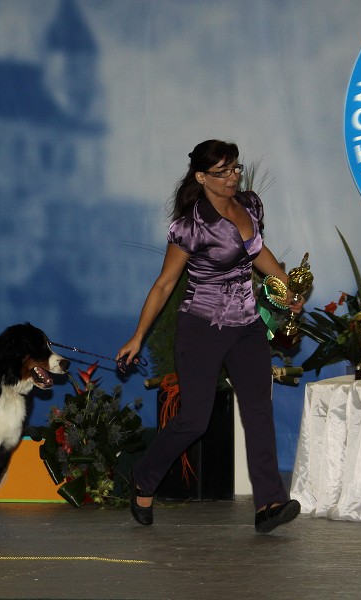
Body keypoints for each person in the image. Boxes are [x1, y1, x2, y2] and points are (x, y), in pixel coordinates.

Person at [116, 139, 302, 533]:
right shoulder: (191, 226)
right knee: (194, 420)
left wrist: (285, 287)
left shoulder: (250, 205)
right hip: (202, 327)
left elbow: (258, 252)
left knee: (259, 410)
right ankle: (144, 478)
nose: (232, 177)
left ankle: (269, 503)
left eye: (235, 168)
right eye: (222, 172)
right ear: (201, 177)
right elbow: (165, 284)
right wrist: (138, 336)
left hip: (247, 324)